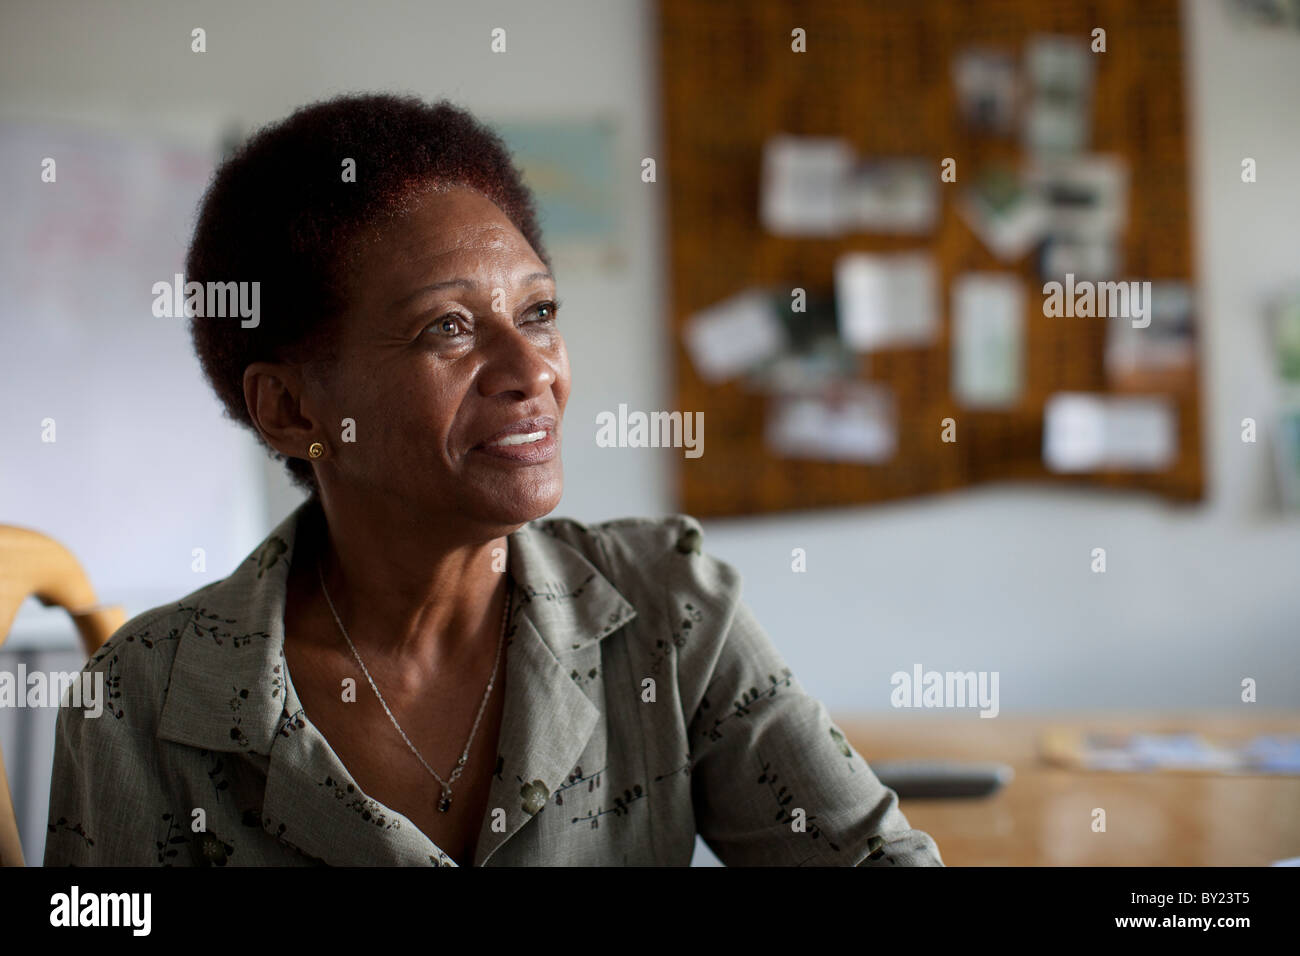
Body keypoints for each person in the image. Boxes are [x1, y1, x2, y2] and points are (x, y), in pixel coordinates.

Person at [44, 93, 942, 867]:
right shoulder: (150, 699)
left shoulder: (667, 609)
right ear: (291, 409)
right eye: (447, 328)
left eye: (539, 312)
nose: (532, 370)